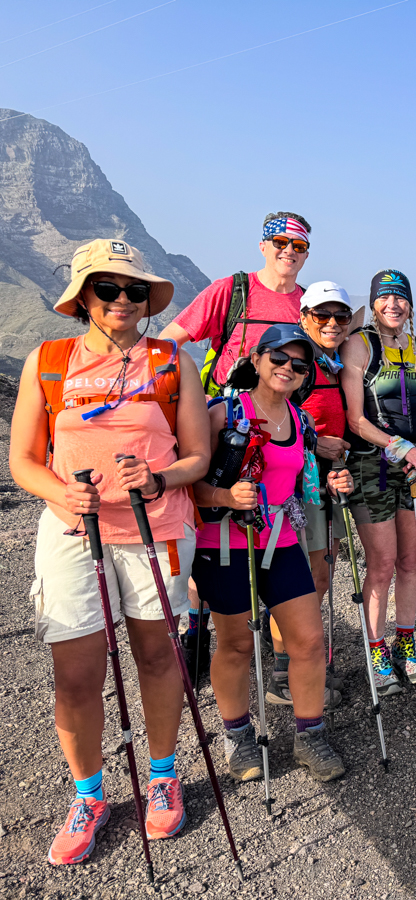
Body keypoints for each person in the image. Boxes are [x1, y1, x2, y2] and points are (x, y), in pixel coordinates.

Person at [8, 239, 209, 864]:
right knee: (76, 674)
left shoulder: (174, 360)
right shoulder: (47, 361)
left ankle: (163, 774)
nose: (124, 300)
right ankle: (89, 794)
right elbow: (22, 461)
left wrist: (156, 480)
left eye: (135, 290)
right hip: (74, 533)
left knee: (157, 656)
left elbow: (196, 457)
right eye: (108, 288)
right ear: (83, 296)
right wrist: (65, 498)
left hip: (160, 529)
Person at [191, 325, 353, 784]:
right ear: (257, 360)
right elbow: (191, 483)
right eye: (279, 359)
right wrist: (225, 500)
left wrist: (333, 482)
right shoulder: (223, 412)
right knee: (237, 644)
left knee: (307, 642)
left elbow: (299, 484)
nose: (288, 369)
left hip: (280, 539)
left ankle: (309, 734)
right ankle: (238, 736)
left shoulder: (301, 421)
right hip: (223, 542)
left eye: (299, 364)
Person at [159, 211, 313, 681]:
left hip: (286, 430)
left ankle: (261, 642)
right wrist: (189, 406)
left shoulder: (308, 306)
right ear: (263, 245)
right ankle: (199, 625)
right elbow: (170, 342)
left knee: (266, 524)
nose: (288, 252)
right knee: (211, 518)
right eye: (280, 242)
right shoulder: (234, 290)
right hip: (224, 424)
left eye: (299, 246)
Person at [264, 281, 365, 704]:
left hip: (331, 479)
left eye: (340, 317)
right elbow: (269, 417)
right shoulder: (298, 363)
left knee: (322, 572)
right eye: (321, 315)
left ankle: (311, 662)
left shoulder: (333, 362)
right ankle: (285, 675)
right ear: (303, 317)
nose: (332, 323)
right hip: (299, 483)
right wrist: (314, 443)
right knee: (297, 579)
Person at [341, 269, 416, 689]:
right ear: (374, 302)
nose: (392, 305)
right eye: (384, 298)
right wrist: (405, 450)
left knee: (410, 562)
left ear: (410, 304)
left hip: (415, 468)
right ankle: (376, 649)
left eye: (400, 297)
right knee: (381, 565)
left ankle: (406, 644)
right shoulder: (359, 345)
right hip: (373, 466)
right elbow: (356, 419)